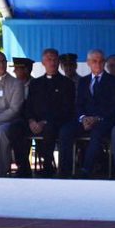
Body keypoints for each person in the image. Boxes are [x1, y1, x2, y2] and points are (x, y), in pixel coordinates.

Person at [58, 49, 115, 178]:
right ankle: (65, 171)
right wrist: (83, 118)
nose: (98, 64)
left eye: (101, 61)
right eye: (94, 61)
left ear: (104, 62)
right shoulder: (83, 81)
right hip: (85, 120)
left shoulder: (114, 81)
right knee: (65, 130)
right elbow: (78, 104)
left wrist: (96, 118)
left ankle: (86, 170)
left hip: (104, 121)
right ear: (88, 63)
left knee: (97, 133)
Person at [21, 48, 76, 178]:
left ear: (58, 62)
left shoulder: (67, 83)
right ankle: (23, 168)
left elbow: (67, 108)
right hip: (35, 122)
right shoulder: (35, 83)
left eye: (54, 59)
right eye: (48, 59)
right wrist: (31, 120)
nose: (52, 62)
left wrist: (44, 122)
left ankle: (48, 166)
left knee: (49, 128)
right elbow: (29, 105)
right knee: (15, 129)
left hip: (55, 122)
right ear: (43, 62)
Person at [8, 56, 35, 177]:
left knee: (18, 129)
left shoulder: (36, 84)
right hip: (13, 117)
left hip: (31, 118)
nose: (14, 72)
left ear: (26, 70)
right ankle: (21, 166)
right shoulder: (13, 85)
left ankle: (24, 167)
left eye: (17, 69)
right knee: (14, 128)